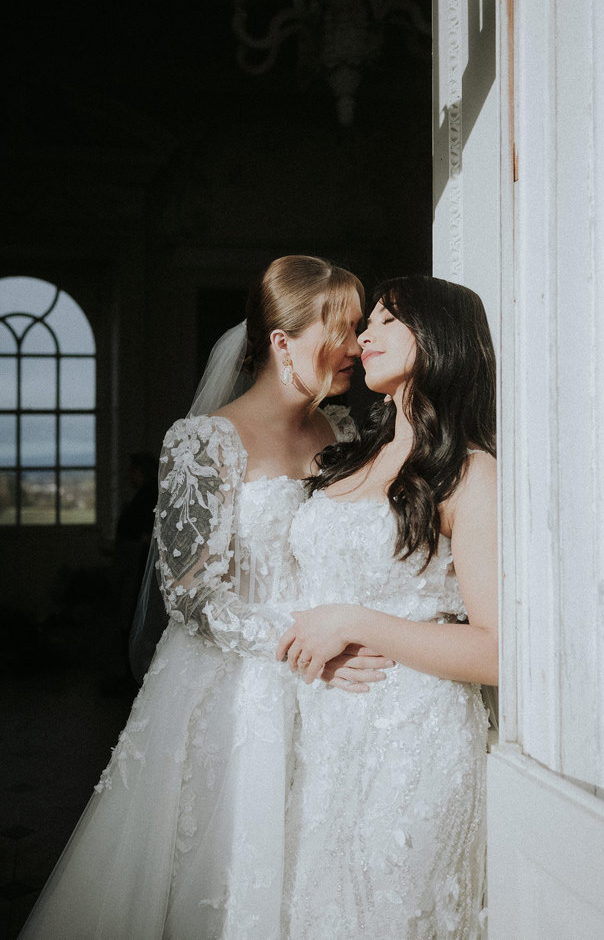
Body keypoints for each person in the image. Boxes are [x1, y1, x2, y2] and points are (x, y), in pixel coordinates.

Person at [19, 255, 393, 940]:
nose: (353, 348)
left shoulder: (345, 433)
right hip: (236, 688)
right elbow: (190, 597)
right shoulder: (203, 441)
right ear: (281, 342)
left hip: (333, 686)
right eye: (337, 331)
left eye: (358, 328)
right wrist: (303, 640)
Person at [278, 275, 498, 939]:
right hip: (320, 733)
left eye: (385, 322)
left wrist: (355, 623)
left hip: (412, 743)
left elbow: (498, 651)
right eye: (364, 323)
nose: (362, 337)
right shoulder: (345, 460)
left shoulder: (468, 473)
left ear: (437, 339)